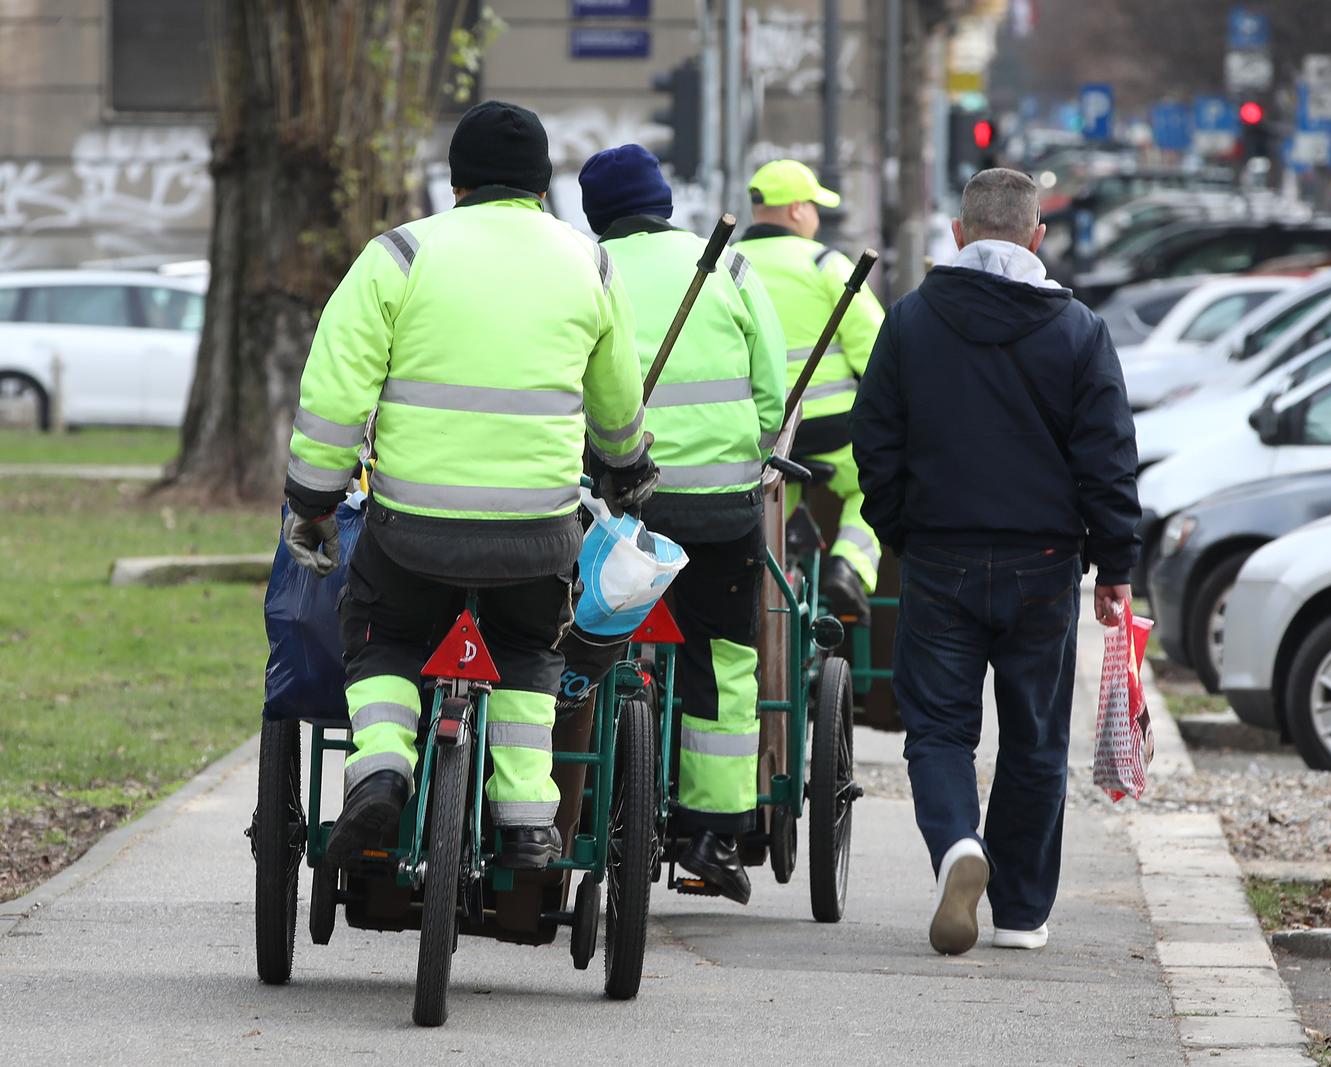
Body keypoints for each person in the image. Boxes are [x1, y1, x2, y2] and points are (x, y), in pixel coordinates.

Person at [279, 101, 658, 872]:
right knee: (528, 646)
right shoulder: (588, 261)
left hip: (411, 531)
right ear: (543, 185)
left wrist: (314, 499)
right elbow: (617, 401)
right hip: (537, 533)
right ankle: (525, 816)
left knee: (380, 629)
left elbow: (334, 392)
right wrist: (624, 468)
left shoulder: (398, 256)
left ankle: (383, 764)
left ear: (454, 183)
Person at [851, 168, 1140, 955]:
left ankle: (957, 845)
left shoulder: (911, 321)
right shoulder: (1078, 329)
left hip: (940, 554)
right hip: (1044, 563)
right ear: (1036, 237)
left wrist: (902, 530)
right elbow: (1108, 456)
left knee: (938, 728)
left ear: (958, 233)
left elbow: (873, 440)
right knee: (1036, 736)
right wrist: (1114, 562)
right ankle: (1018, 912)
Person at [577, 144, 787, 904]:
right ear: (665, 200)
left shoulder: (586, 266)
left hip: (612, 503)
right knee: (724, 657)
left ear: (594, 212)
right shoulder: (725, 266)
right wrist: (757, 457)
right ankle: (710, 832)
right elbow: (773, 388)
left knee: (580, 640)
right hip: (720, 508)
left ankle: (575, 803)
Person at [732, 160, 886, 620]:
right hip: (831, 428)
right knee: (872, 486)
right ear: (797, 209)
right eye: (815, 206)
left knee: (773, 494)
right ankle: (849, 566)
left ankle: (772, 583)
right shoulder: (825, 265)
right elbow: (878, 352)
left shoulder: (727, 266)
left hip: (760, 433)